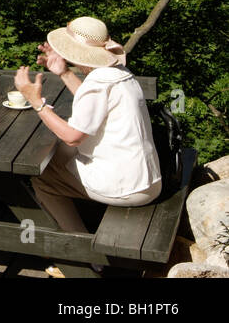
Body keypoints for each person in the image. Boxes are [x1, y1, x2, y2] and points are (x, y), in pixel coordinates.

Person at [15, 16, 161, 248]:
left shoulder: (99, 82)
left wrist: (36, 102)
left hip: (127, 188)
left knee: (42, 178)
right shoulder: (118, 73)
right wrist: (63, 72)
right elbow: (92, 102)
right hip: (148, 181)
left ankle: (82, 252)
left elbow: (73, 137)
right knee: (59, 156)